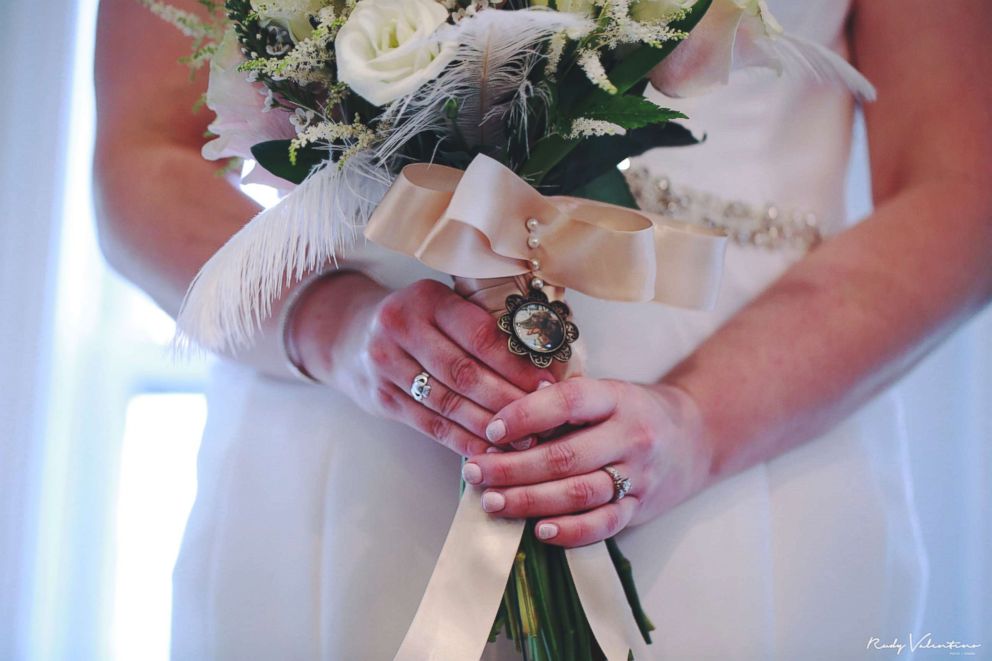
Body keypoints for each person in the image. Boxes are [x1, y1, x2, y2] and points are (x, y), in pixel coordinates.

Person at [94, 0, 991, 658]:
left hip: (759, 428)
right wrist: (328, 324)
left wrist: (700, 423)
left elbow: (964, 184)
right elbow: (145, 149)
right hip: (350, 432)